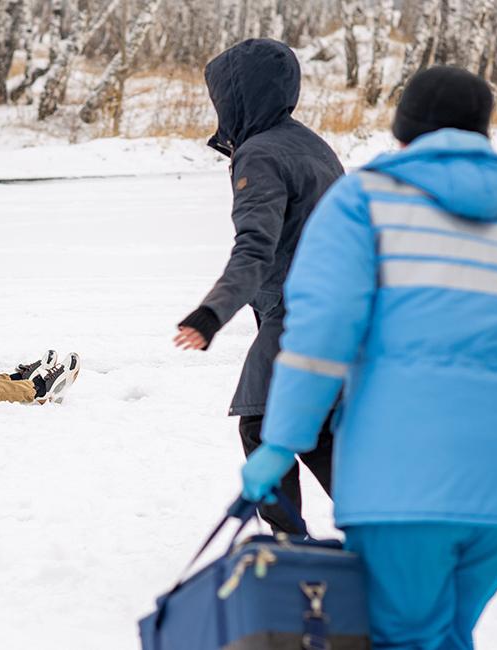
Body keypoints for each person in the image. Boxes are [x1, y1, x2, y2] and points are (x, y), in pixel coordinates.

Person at [241, 66, 497, 649]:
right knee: (449, 632)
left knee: (403, 636)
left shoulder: (361, 203)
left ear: (402, 131)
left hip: (401, 484)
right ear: (484, 132)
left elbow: (321, 334)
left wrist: (280, 441)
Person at [172, 39, 344, 535]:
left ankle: (288, 542)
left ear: (239, 96)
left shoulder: (260, 153)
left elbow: (255, 247)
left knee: (264, 421)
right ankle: (386, 527)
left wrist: (212, 313)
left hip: (298, 313)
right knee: (313, 427)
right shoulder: (312, 144)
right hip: (338, 308)